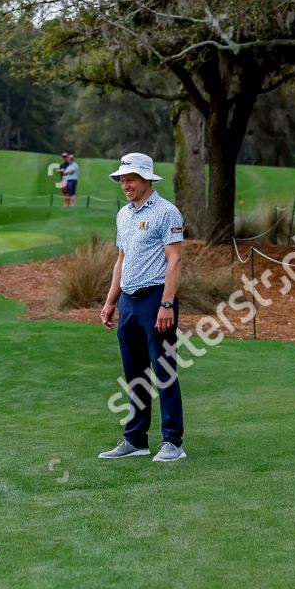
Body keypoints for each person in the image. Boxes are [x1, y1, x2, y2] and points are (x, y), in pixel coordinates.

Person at [99, 153, 187, 463]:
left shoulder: (167, 212)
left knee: (163, 371)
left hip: (155, 300)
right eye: (122, 179)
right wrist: (111, 301)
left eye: (131, 179)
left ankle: (173, 442)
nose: (125, 184)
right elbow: (121, 260)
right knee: (134, 373)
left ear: (147, 179)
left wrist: (166, 303)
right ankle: (135, 439)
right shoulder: (124, 214)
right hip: (128, 301)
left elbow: (175, 260)